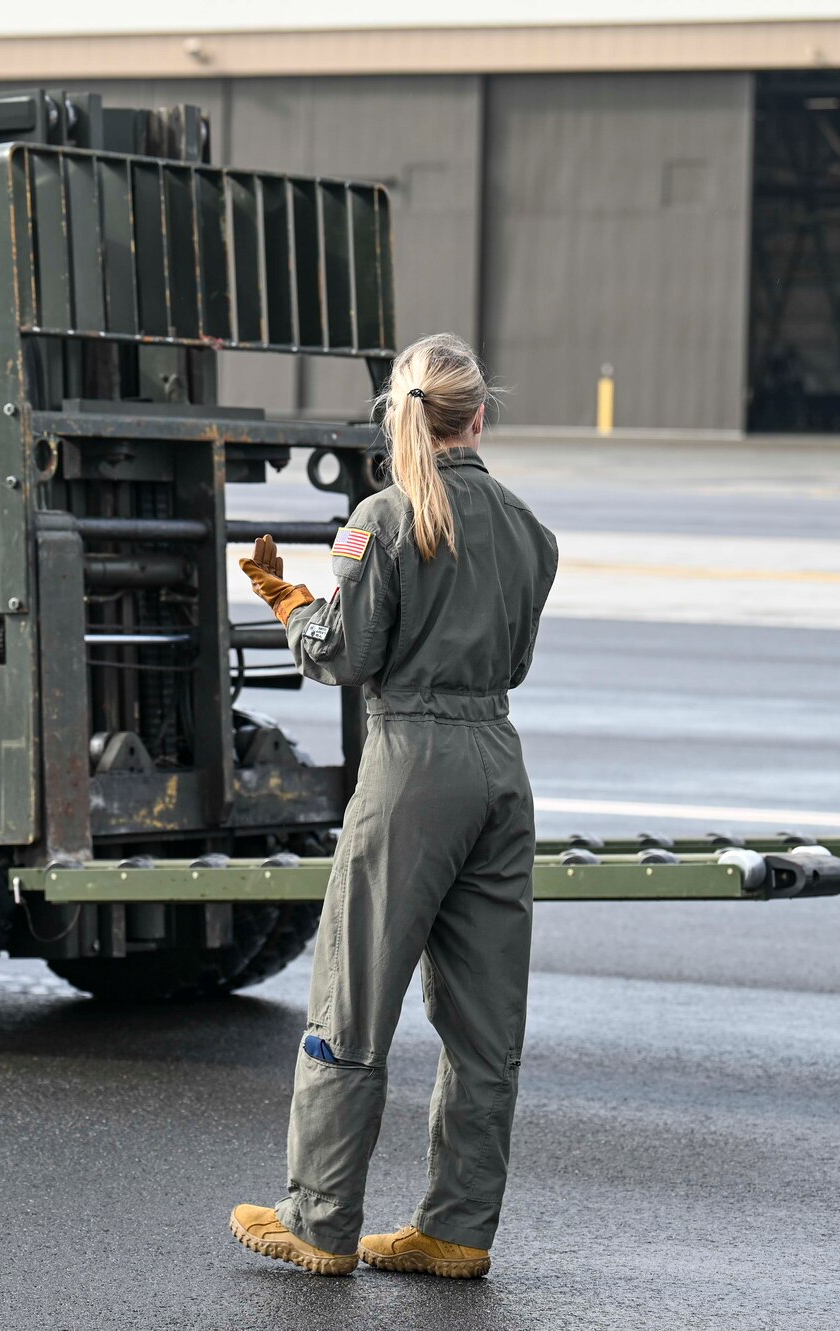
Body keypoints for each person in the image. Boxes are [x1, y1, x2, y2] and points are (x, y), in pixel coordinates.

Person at [229, 333, 560, 1280]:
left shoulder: (385, 515)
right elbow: (519, 662)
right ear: (479, 414)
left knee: (353, 993)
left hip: (413, 761)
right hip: (500, 762)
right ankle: (457, 1227)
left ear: (398, 414)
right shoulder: (531, 530)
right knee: (486, 1022)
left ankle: (320, 1217)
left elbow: (346, 653)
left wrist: (290, 600)